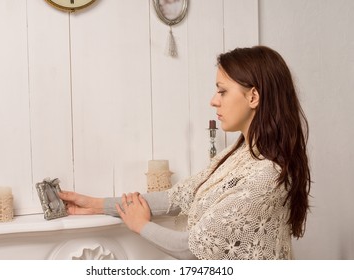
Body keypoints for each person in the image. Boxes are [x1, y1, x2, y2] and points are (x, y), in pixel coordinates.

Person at [58, 46, 311, 260]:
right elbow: (175, 199)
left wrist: (140, 225)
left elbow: (192, 249)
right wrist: (96, 205)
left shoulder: (267, 174)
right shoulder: (236, 155)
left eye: (222, 91)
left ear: (253, 96)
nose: (214, 100)